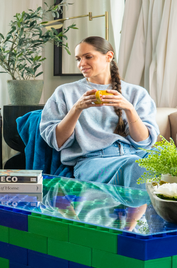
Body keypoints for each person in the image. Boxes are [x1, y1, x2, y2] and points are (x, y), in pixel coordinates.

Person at [40, 36, 159, 189]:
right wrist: (77, 109)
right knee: (137, 167)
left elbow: (144, 142)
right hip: (91, 162)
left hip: (133, 155)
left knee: (162, 163)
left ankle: (139, 212)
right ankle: (136, 214)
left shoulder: (137, 93)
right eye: (78, 59)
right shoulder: (65, 92)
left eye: (88, 57)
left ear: (109, 56)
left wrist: (129, 109)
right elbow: (56, 141)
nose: (81, 64)